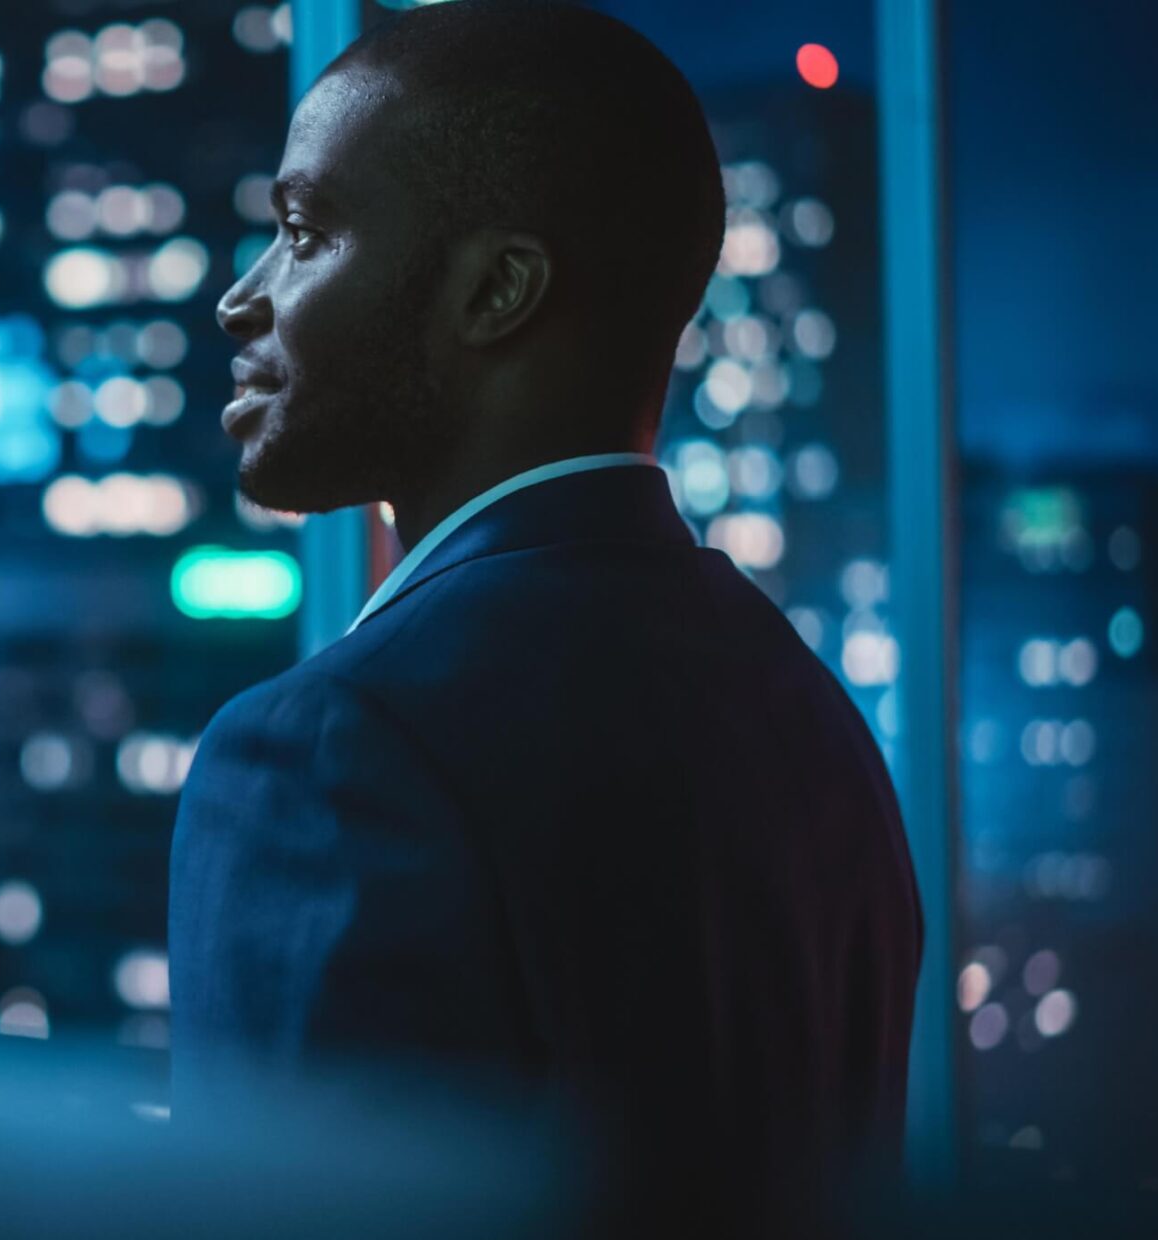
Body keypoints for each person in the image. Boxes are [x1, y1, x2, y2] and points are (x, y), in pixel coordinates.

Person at [166, 0, 923, 1218]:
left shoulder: (332, 751)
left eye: (305, 234)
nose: (240, 300)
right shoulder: (807, 713)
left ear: (498, 292)